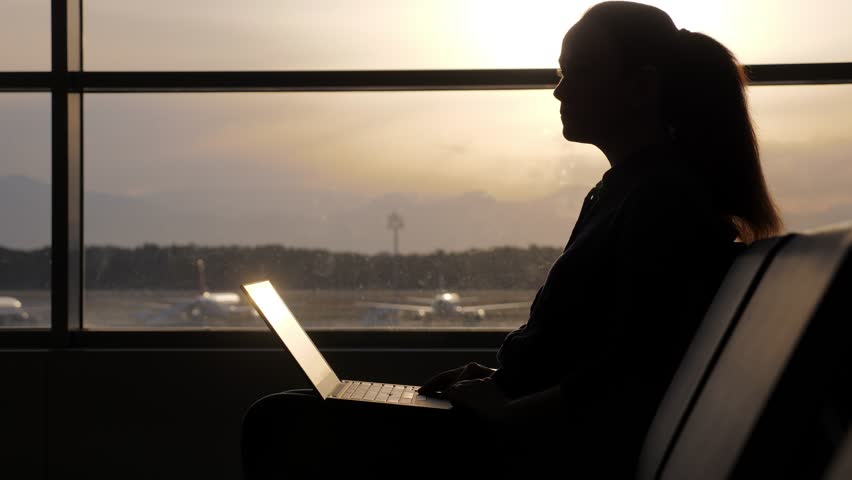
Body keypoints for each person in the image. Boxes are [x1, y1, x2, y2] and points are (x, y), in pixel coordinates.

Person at [241, 2, 784, 478]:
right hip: (528, 421)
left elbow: (635, 371)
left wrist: (509, 411)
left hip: (540, 443)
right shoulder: (626, 192)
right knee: (296, 410)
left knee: (281, 420)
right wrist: (504, 379)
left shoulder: (662, 203)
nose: (559, 89)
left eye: (579, 72)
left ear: (641, 87)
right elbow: (592, 348)